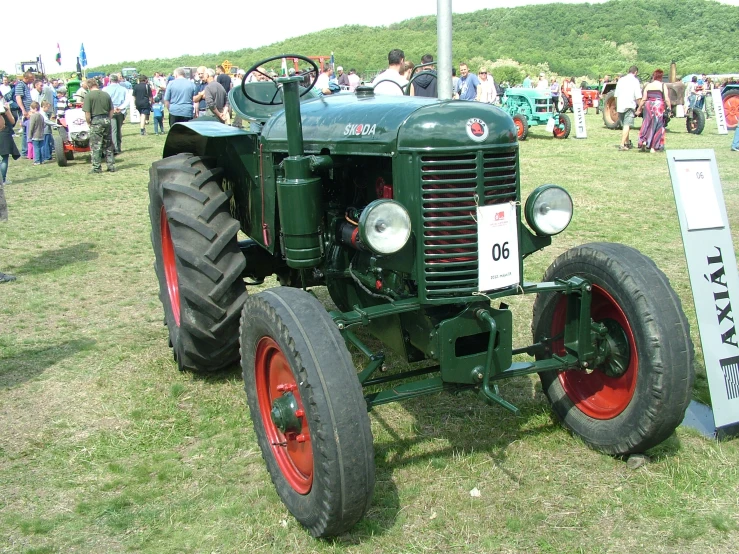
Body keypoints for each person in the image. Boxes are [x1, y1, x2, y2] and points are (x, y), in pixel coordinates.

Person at [82, 78, 115, 174]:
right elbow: (111, 110)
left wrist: (89, 122)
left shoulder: (89, 96)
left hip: (96, 120)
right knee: (108, 144)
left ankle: (96, 167)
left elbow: (87, 112)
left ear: (88, 86)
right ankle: (111, 165)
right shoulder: (106, 94)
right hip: (106, 120)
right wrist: (108, 119)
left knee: (96, 145)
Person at [635, 69, 671, 153]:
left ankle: (644, 141)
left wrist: (639, 109)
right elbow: (666, 98)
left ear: (654, 76)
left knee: (647, 124)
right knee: (657, 126)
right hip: (658, 106)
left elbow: (644, 99)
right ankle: (653, 147)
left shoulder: (648, 85)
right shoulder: (663, 85)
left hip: (648, 105)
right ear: (661, 77)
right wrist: (669, 108)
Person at [614, 65, 641, 151]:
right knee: (627, 125)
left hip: (620, 105)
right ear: (635, 72)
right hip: (629, 105)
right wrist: (640, 107)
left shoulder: (621, 80)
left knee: (625, 125)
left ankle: (627, 143)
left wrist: (616, 105)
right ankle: (622, 144)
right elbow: (637, 96)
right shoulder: (635, 81)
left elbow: (616, 95)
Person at [102, 74, 128, 153]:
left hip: (111, 111)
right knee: (118, 130)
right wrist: (120, 108)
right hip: (120, 111)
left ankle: (115, 148)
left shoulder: (105, 89)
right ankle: (118, 147)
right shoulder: (123, 89)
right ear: (118, 80)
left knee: (113, 130)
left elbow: (104, 101)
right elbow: (127, 100)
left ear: (110, 80)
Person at [0, 97, 20, 186]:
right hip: (3, 133)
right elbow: (12, 121)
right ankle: (2, 179)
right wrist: (8, 110)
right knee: (4, 157)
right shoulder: (4, 108)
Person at [14, 72, 34, 157]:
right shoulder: (20, 85)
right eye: (31, 79)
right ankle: (25, 151)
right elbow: (18, 98)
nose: (33, 80)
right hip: (25, 111)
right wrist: (23, 110)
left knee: (27, 131)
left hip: (28, 110)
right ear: (26, 78)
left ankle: (26, 150)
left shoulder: (25, 85)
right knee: (26, 131)